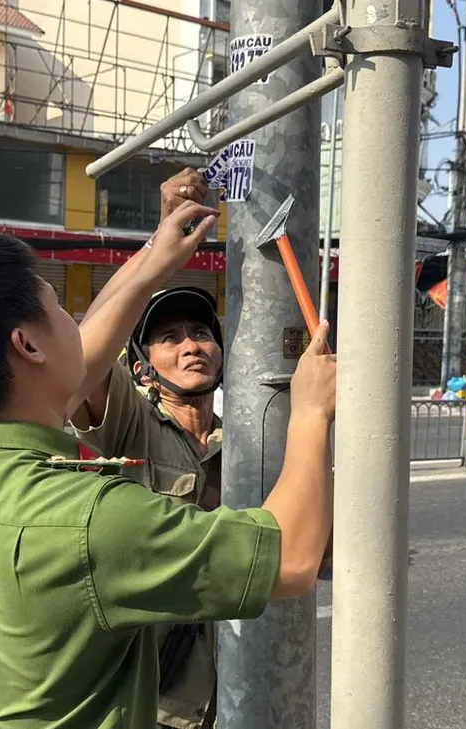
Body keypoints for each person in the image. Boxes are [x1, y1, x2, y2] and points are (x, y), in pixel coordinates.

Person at [0, 202, 336, 728]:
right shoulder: (93, 521)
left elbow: (86, 355)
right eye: (59, 308)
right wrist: (311, 412)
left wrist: (153, 261)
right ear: (27, 344)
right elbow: (292, 560)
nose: (75, 323)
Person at [72, 169, 330, 729]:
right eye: (169, 338)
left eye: (202, 333)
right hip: (162, 706)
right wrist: (158, 245)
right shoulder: (132, 424)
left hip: (249, 683)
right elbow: (83, 359)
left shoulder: (250, 439)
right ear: (141, 366)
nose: (191, 345)